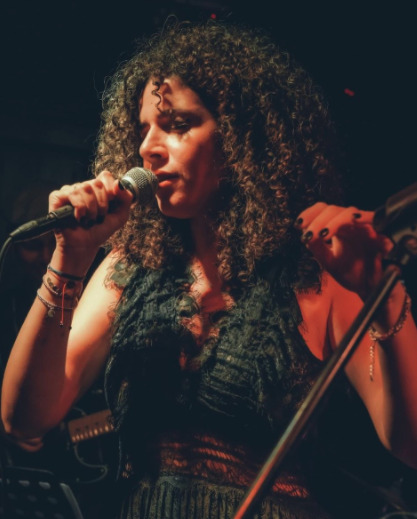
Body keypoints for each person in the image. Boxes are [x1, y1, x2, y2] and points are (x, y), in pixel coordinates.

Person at [1, 19, 417, 519]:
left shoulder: (318, 274)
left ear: (243, 140)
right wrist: (70, 257)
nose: (148, 147)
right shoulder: (130, 267)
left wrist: (386, 296)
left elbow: (409, 445)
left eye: (177, 125)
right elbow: (23, 420)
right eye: (143, 129)